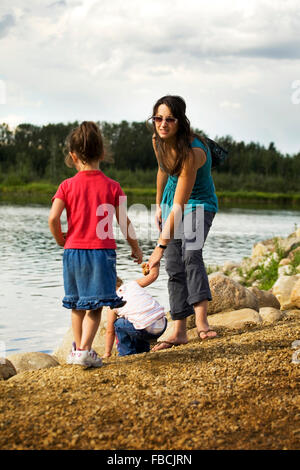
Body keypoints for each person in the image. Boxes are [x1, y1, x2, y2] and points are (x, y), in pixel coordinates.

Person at [48, 121, 143, 367]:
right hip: (101, 253)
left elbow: (53, 218)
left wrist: (62, 240)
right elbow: (124, 221)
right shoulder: (113, 186)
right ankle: (84, 350)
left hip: (73, 251)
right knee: (96, 305)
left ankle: (77, 351)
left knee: (77, 303)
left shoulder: (66, 186)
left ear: (73, 155)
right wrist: (135, 246)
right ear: (102, 153)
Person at [147, 95, 218, 352]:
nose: (162, 124)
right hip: (172, 202)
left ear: (180, 120)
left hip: (198, 204)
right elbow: (163, 170)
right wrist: (158, 205)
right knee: (174, 264)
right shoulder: (159, 140)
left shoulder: (193, 152)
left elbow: (181, 204)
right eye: (158, 118)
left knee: (190, 253)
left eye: (169, 119)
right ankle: (178, 329)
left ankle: (202, 322)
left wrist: (159, 246)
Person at [103, 264, 167, 357]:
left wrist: (107, 353)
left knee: (118, 324)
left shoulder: (113, 303)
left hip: (146, 331)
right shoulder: (133, 284)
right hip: (162, 325)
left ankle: (126, 353)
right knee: (136, 319)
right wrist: (154, 263)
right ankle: (142, 349)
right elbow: (153, 275)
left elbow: (110, 331)